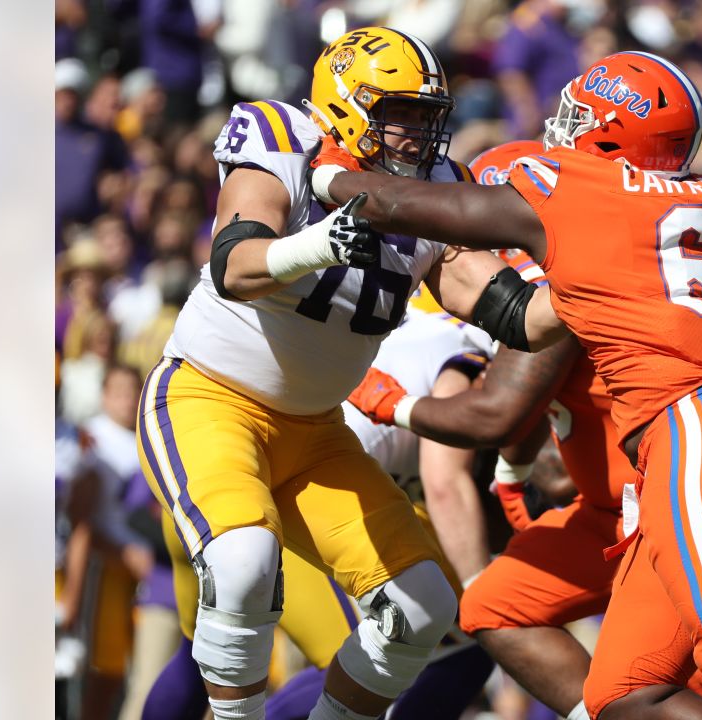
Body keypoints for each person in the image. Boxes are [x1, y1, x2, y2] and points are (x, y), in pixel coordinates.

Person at [309, 51, 702, 719]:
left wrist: (322, 173)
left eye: (583, 116)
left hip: (691, 439)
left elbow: (407, 205)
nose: (566, 126)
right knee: (622, 696)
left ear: (614, 133)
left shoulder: (579, 192)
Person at [135, 26, 532, 720]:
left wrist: (592, 292)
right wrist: (316, 244)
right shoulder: (282, 137)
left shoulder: (433, 184)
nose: (417, 132)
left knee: (423, 605)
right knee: (243, 568)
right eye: (400, 112)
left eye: (426, 116)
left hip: (316, 435)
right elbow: (234, 264)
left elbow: (499, 301)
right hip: (209, 402)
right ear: (349, 105)